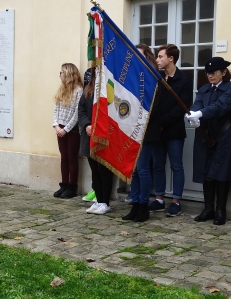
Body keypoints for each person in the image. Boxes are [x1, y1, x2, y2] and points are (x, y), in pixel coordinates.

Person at [186, 57, 231, 225]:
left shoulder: (230, 91)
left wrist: (200, 114)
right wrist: (193, 115)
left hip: (224, 137)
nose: (210, 76)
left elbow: (219, 107)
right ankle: (208, 208)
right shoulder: (204, 89)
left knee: (221, 174)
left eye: (214, 72)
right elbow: (197, 104)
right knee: (207, 173)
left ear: (223, 72)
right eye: (208, 73)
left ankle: (220, 210)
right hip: (205, 136)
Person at [147, 44, 193, 216]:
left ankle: (176, 200)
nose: (157, 60)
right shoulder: (157, 77)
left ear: (171, 58)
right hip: (157, 130)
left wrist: (162, 122)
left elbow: (182, 106)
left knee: (176, 166)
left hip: (174, 130)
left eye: (160, 56)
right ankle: (159, 198)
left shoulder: (184, 79)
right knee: (158, 165)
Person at [122, 46, 166, 222]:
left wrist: (140, 116)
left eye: (139, 54)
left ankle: (143, 206)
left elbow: (156, 105)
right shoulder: (133, 77)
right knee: (134, 171)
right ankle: (135, 204)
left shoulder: (155, 78)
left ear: (147, 57)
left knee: (142, 168)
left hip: (147, 129)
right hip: (133, 128)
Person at [78, 65, 114, 214]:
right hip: (89, 135)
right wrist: (87, 124)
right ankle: (98, 200)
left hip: (104, 135)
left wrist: (97, 126)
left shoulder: (109, 89)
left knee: (104, 170)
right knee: (94, 170)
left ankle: (105, 202)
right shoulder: (88, 89)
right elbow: (81, 109)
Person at [52, 63, 83, 199]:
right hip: (60, 127)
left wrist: (66, 129)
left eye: (61, 72)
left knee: (72, 158)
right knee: (63, 157)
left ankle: (72, 186)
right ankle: (63, 184)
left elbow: (77, 113)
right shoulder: (62, 89)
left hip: (72, 130)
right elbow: (56, 109)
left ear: (68, 74)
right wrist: (56, 126)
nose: (60, 75)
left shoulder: (78, 90)